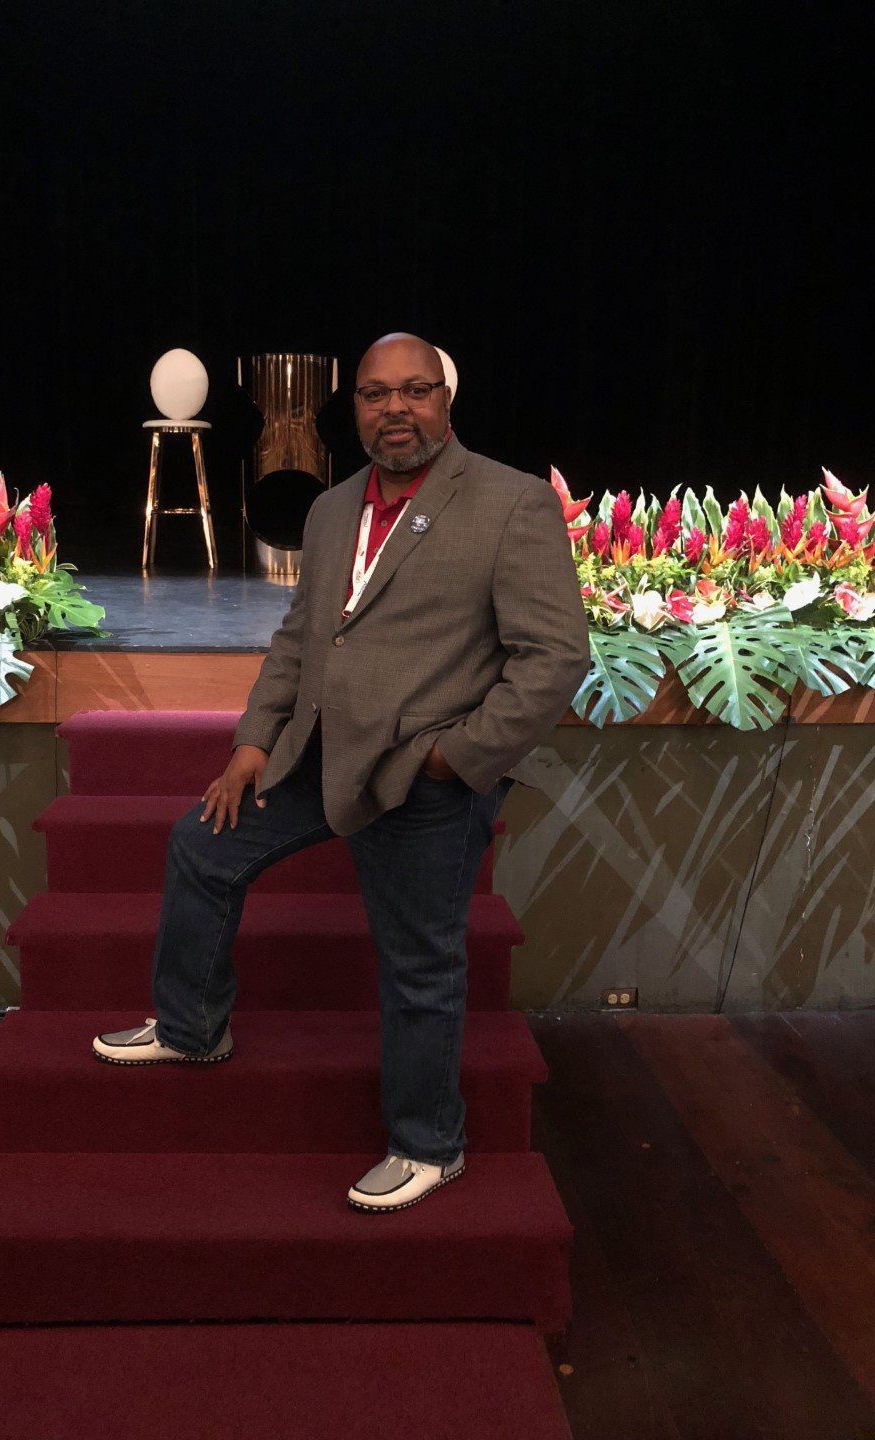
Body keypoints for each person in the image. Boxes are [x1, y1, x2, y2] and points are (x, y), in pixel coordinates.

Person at [93, 333, 591, 1212]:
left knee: (419, 967)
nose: (394, 408)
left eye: (414, 391)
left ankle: (430, 1145)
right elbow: (300, 641)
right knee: (199, 849)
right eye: (373, 393)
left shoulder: (511, 505)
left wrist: (457, 758)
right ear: (353, 407)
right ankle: (192, 1027)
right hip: (315, 753)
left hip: (420, 775)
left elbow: (552, 658)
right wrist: (253, 741)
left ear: (445, 399)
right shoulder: (331, 511)